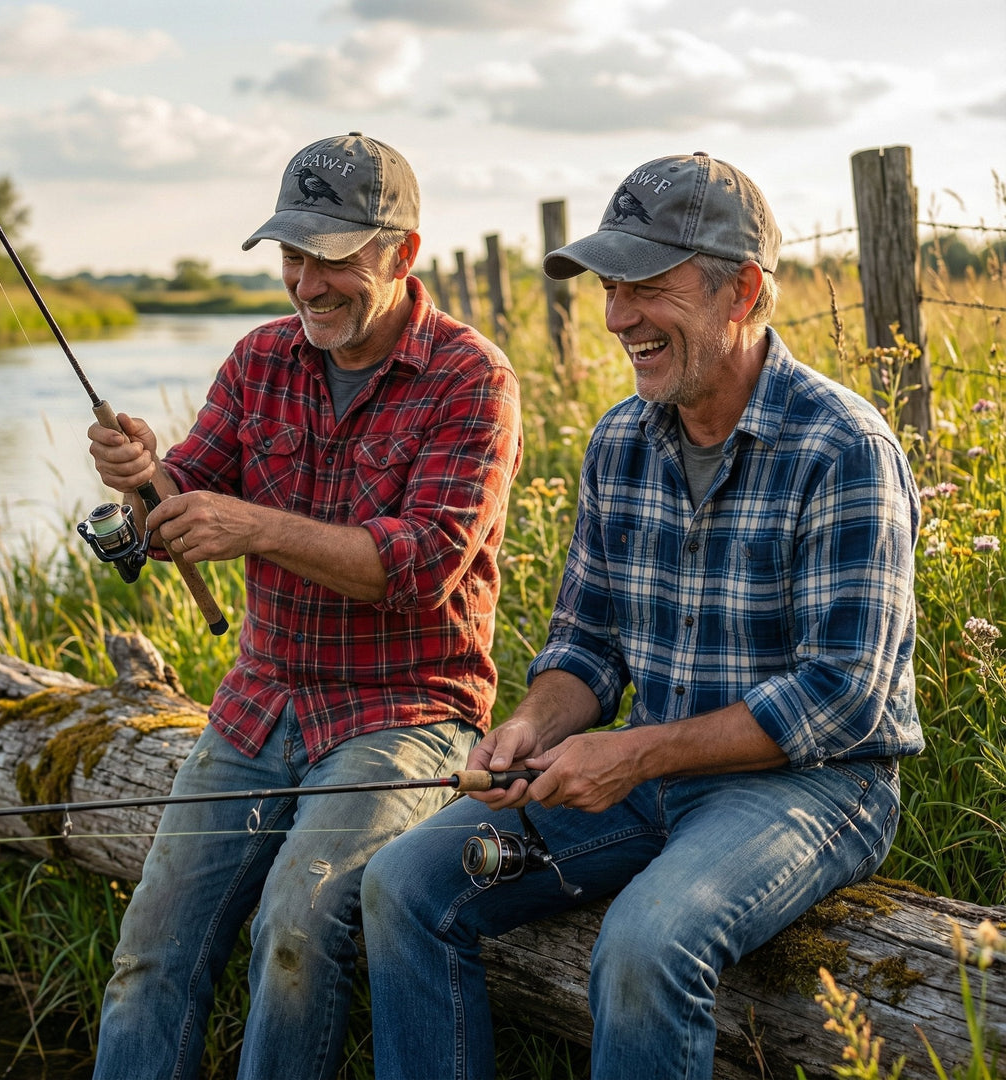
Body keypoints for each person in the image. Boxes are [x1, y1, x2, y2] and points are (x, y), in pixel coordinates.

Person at [360, 151, 924, 1080]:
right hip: (651, 776)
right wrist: (531, 729)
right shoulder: (621, 438)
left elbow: (844, 700)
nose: (619, 317)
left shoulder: (844, 447)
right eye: (611, 288)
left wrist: (635, 753)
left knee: (645, 942)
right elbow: (588, 642)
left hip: (818, 787)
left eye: (647, 288)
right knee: (403, 884)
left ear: (742, 291)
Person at [86, 132, 522, 1080]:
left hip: (404, 714)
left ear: (402, 254)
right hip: (258, 705)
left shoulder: (472, 377)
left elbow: (423, 565)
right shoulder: (258, 361)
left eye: (331, 257)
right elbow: (178, 506)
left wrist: (257, 527)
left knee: (293, 928)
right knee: (147, 951)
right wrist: (140, 485)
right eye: (292, 256)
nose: (307, 282)